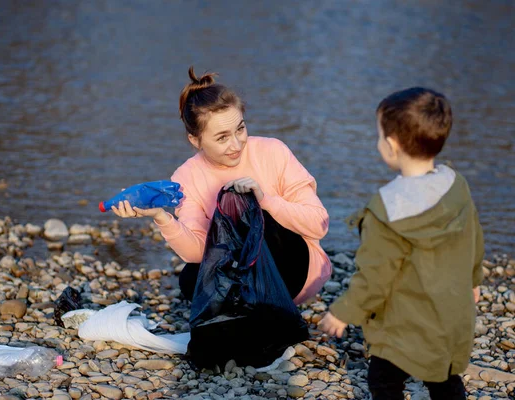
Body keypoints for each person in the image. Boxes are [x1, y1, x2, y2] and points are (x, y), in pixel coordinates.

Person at [111, 67, 331, 304]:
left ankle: (259, 310)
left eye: (240, 129)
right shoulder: (186, 176)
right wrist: (161, 217)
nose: (236, 144)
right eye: (222, 138)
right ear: (195, 140)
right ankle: (247, 316)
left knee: (252, 212)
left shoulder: (273, 151)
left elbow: (319, 225)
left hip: (295, 271)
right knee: (190, 279)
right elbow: (197, 253)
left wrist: (265, 200)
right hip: (242, 276)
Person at [318, 88, 484, 400]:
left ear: (392, 145)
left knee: (384, 380)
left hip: (404, 321)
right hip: (449, 315)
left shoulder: (387, 208)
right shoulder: (455, 185)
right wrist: (474, 280)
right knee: (444, 379)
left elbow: (375, 276)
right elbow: (473, 235)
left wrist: (343, 311)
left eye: (379, 135)